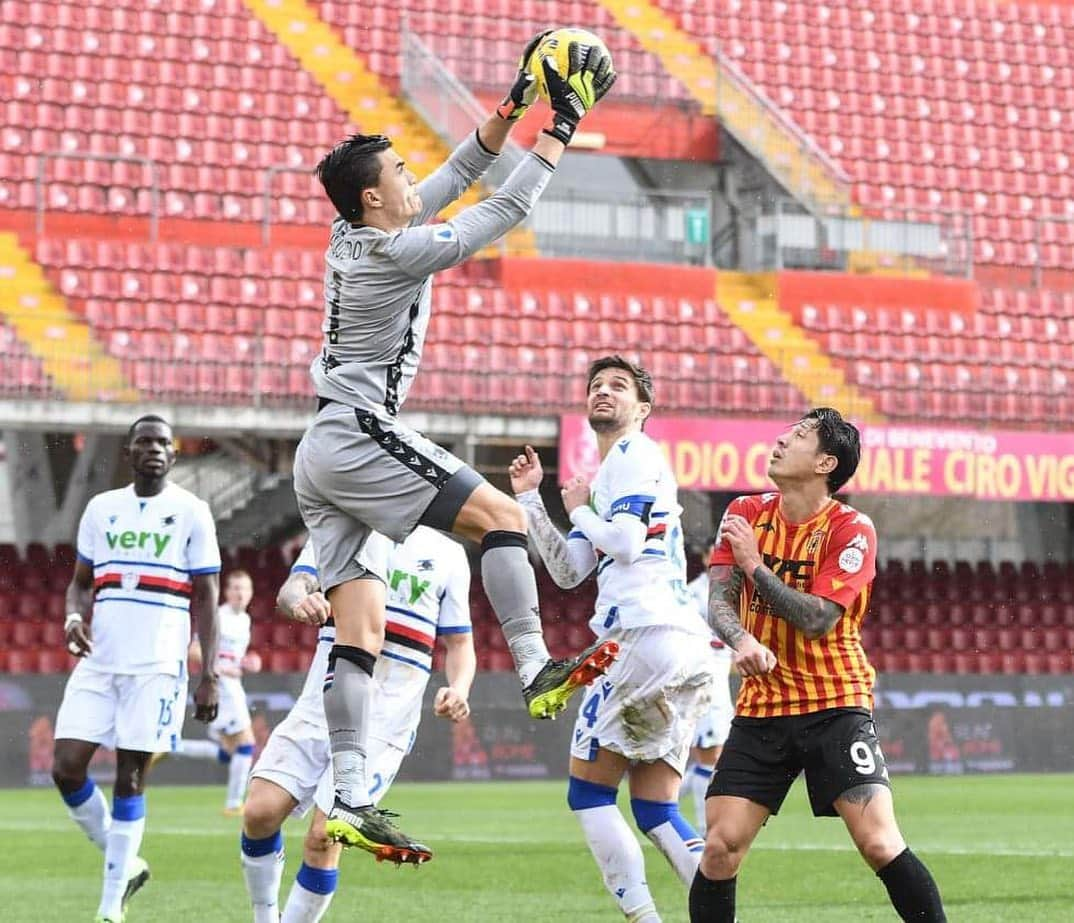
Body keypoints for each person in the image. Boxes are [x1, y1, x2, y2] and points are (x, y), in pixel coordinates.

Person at [292, 32, 616, 857]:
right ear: (373, 200)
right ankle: (538, 662)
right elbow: (503, 210)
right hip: (359, 429)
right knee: (504, 515)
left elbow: (448, 179)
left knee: (357, 630)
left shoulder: (357, 236)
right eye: (397, 173)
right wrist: (562, 120)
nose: (411, 178)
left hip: (320, 448)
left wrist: (512, 104)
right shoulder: (397, 252)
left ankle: (352, 794)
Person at [689, 408, 947, 923]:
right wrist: (740, 639)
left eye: (799, 436)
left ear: (826, 462)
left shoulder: (852, 529)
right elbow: (719, 601)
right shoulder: (744, 511)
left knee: (878, 842)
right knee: (719, 848)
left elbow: (817, 619)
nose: (781, 440)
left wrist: (754, 565)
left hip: (836, 703)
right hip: (763, 709)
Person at [510, 355, 715, 923]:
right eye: (596, 385)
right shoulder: (608, 477)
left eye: (619, 386)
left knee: (590, 796)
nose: (604, 391)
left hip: (640, 637)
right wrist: (535, 500)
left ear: (642, 409)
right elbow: (571, 570)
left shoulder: (634, 454)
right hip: (682, 648)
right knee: (654, 807)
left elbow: (623, 544)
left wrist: (578, 508)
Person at [240, 526, 476, 922]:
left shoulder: (448, 554)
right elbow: (289, 591)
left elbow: (460, 645)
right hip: (321, 702)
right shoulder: (342, 526)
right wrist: (301, 600)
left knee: (324, 835)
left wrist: (459, 687)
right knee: (258, 813)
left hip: (385, 720)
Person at [51, 415, 221, 923]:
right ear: (128, 451)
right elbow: (81, 582)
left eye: (164, 443)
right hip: (100, 659)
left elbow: (208, 596)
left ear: (174, 453)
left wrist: (208, 672)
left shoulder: (192, 511)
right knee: (65, 768)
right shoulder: (102, 508)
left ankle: (109, 908)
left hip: (157, 665)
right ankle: (126, 863)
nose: (155, 449)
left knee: (130, 775)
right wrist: (74, 615)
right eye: (145, 441)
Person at [174, 569, 261, 814]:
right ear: (226, 591)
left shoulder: (244, 620)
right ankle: (234, 805)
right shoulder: (218, 616)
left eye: (244, 588)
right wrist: (221, 668)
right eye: (235, 588)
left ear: (251, 593)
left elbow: (234, 658)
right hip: (220, 686)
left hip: (233, 684)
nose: (240, 593)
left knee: (228, 753)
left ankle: (172, 747)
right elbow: (193, 650)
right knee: (246, 745)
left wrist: (249, 663)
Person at [681, 538, 735, 834]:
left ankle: (662, 802)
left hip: (720, 677)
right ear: (704, 557)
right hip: (703, 678)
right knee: (710, 754)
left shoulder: (733, 591)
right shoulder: (692, 594)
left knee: (717, 754)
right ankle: (704, 828)